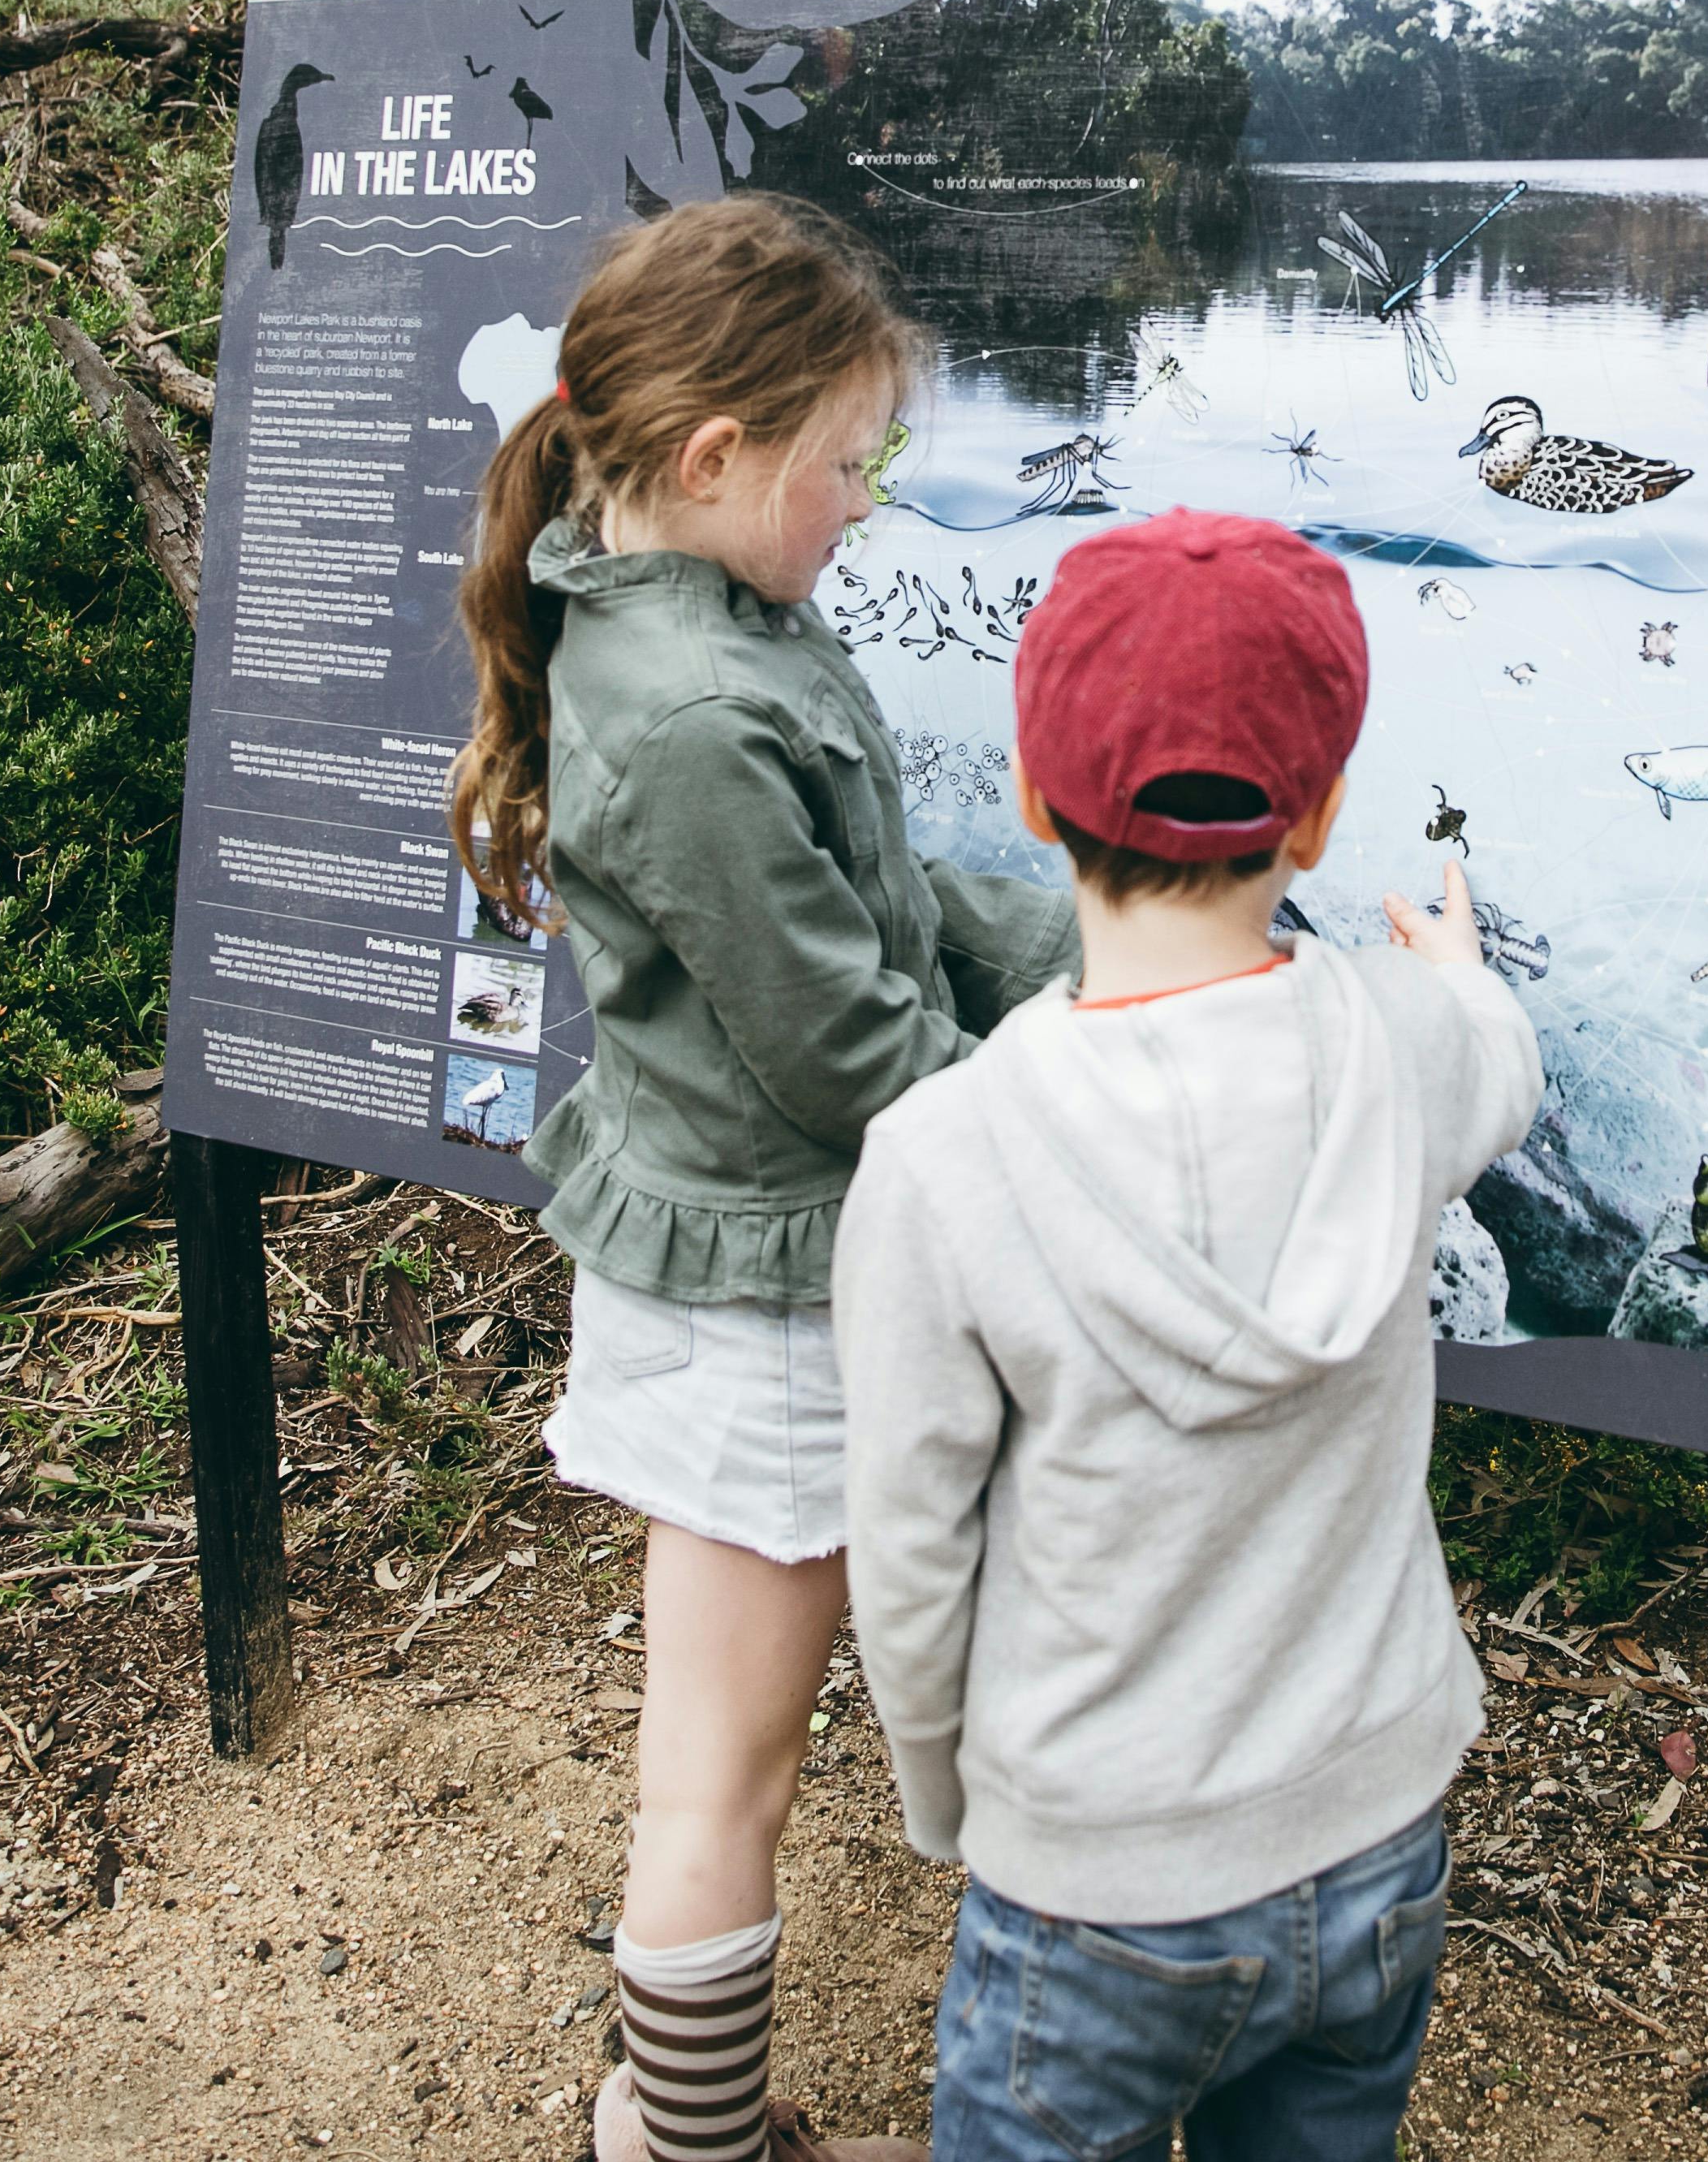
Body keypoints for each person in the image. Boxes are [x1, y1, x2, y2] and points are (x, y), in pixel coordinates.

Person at [450, 196, 1078, 2162]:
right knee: (719, 1777)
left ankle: (679, 2135)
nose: (870, 501)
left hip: (747, 1272)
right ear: (716, 460)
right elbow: (853, 1059)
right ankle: (693, 2152)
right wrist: (1091, 1099)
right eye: (847, 463)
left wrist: (1111, 937)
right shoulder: (700, 722)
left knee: (713, 1763)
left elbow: (877, 909)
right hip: (770, 1314)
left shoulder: (688, 607)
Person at [833, 511, 1544, 2162]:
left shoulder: (947, 1159)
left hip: (1096, 1880)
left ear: (1029, 800)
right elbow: (1496, 1057)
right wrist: (1451, 969)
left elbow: (912, 1556)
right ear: (1319, 815)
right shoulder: (1409, 1051)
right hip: (1377, 1833)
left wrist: (953, 1798)